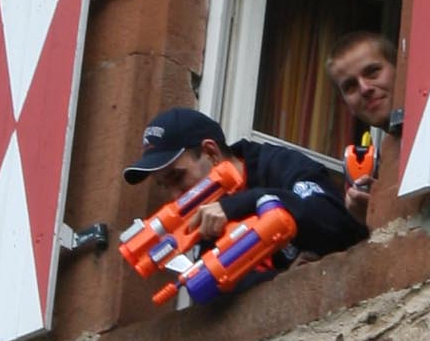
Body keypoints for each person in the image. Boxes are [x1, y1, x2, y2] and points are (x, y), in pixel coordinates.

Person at [121, 107, 359, 270]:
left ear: (211, 152)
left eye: (177, 177)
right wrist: (281, 281)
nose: (175, 195)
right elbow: (220, 301)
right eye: (165, 186)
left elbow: (335, 220)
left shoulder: (277, 165)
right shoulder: (203, 227)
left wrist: (242, 203)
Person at [327, 30, 399, 223]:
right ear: (347, 105)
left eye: (372, 72)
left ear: (400, 68)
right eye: (350, 86)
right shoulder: (387, 157)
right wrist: (369, 215)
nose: (365, 89)